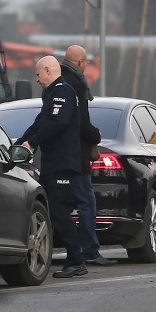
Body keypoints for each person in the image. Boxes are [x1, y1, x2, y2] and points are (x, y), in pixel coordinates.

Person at [17, 55, 86, 278]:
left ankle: (76, 260)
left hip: (63, 164)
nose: (36, 79)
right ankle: (70, 257)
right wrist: (19, 144)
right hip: (52, 163)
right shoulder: (52, 93)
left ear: (48, 70)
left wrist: (33, 142)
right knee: (52, 212)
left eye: (38, 74)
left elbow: (58, 123)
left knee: (59, 212)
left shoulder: (63, 91)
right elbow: (40, 124)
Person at [60, 45, 116, 266]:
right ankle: (90, 250)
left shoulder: (60, 83)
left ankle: (73, 250)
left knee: (62, 204)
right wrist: (96, 136)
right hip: (76, 154)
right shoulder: (75, 85)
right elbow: (82, 122)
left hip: (62, 155)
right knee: (86, 202)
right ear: (81, 63)